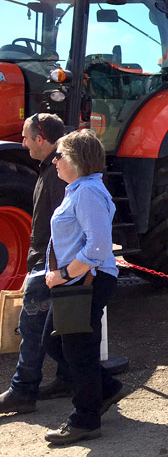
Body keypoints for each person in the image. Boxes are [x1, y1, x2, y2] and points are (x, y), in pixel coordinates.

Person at [42, 129, 128, 445]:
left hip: (85, 281)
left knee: (78, 351)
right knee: (55, 343)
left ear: (76, 160)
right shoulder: (80, 189)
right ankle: (105, 389)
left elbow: (97, 248)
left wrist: (62, 274)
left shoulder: (88, 192)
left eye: (60, 154)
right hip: (78, 281)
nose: (54, 160)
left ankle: (85, 420)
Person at [0, 114, 72, 416]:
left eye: (26, 137)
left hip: (48, 263)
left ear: (41, 138)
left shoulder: (57, 173)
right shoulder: (51, 169)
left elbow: (63, 222)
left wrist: (46, 266)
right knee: (57, 328)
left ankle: (23, 390)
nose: (23, 142)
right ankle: (68, 379)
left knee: (31, 327)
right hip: (50, 261)